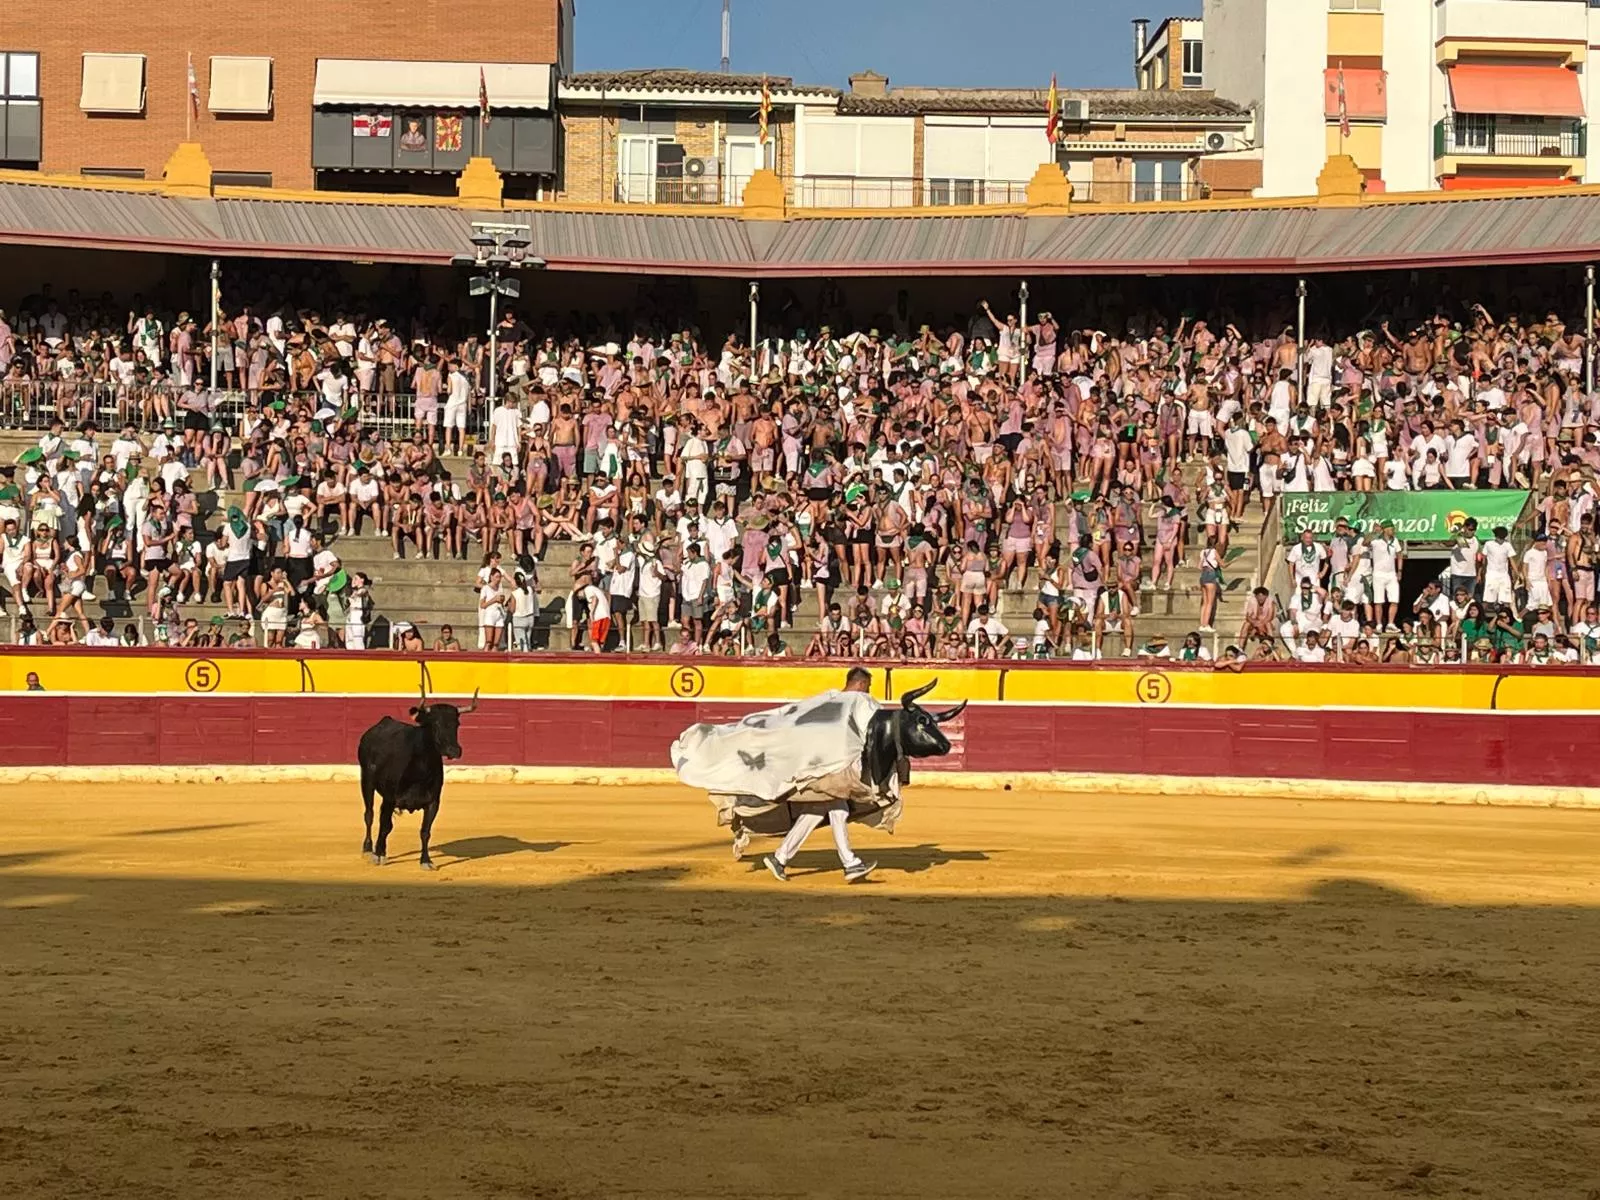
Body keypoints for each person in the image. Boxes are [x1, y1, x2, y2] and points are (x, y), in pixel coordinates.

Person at [762, 667, 878, 885]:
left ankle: (779, 857)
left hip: (818, 765)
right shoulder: (856, 702)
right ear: (861, 684)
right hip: (831, 768)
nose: (868, 692)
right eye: (868, 687)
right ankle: (850, 864)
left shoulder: (828, 699)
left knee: (815, 812)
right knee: (839, 811)